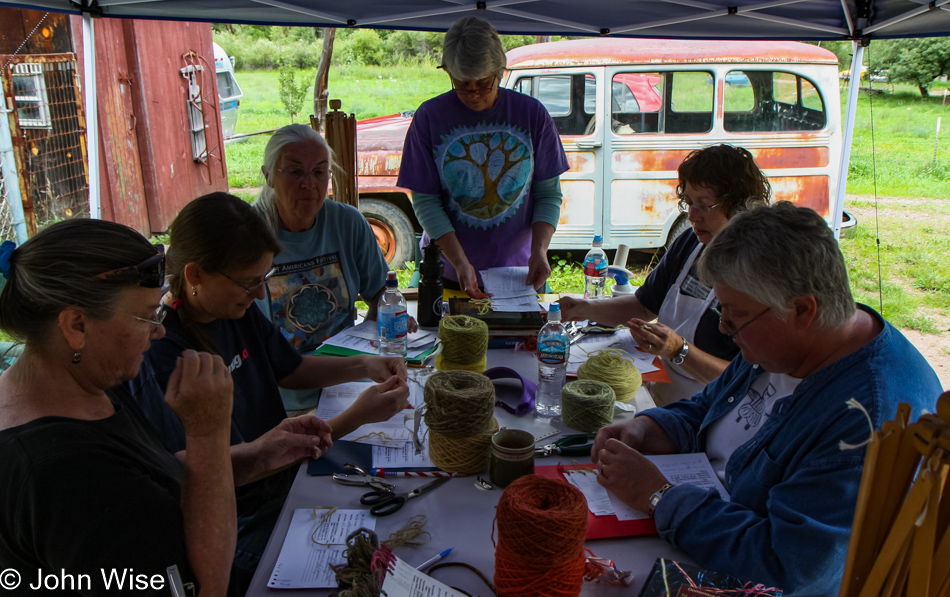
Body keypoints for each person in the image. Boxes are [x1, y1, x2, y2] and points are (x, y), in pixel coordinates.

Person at [593, 202, 942, 597]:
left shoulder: (867, 420)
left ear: (802, 310)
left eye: (734, 317)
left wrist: (660, 497)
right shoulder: (786, 341)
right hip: (694, 533)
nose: (724, 328)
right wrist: (649, 427)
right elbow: (713, 404)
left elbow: (794, 567)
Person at [130, 192, 410, 584]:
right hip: (239, 519)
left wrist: (365, 365)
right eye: (249, 283)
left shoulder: (231, 308)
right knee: (367, 568)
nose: (260, 294)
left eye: (263, 279)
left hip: (282, 479)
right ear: (195, 275)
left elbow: (289, 368)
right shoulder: (165, 355)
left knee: (400, 522)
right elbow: (211, 472)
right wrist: (356, 417)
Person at [0, 220, 244, 595]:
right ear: (76, 324)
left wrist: (263, 456)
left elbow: (147, 483)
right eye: (146, 316)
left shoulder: (83, 384)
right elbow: (208, 588)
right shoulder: (65, 472)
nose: (159, 330)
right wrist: (208, 432)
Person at [560, 144, 771, 406]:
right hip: (661, 395)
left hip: (713, 408)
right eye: (688, 202)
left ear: (738, 205)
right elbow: (644, 305)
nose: (692, 215)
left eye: (704, 205)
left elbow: (748, 379)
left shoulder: (759, 275)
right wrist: (587, 308)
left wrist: (679, 351)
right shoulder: (690, 244)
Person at [397, 15, 569, 298]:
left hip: (521, 272)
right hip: (450, 272)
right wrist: (460, 261)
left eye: (483, 83)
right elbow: (426, 201)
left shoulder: (532, 115)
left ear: (500, 72)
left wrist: (539, 251)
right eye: (463, 84)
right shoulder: (429, 117)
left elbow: (548, 195)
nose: (474, 94)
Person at [253, 123, 395, 355]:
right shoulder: (248, 232)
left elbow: (382, 295)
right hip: (279, 379)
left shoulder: (348, 223)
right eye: (295, 172)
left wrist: (389, 320)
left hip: (344, 371)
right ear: (268, 176)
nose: (309, 184)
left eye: (319, 172)